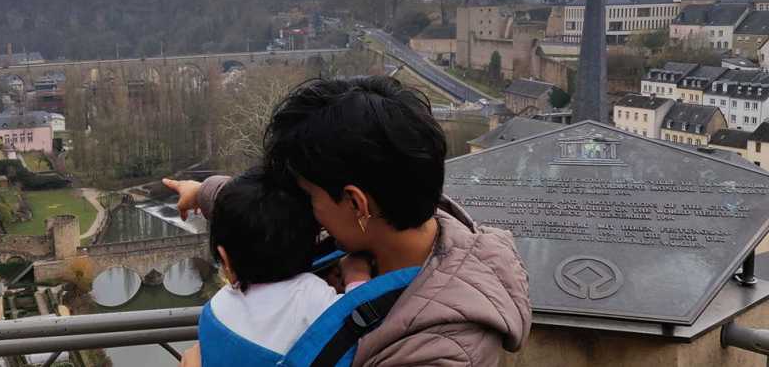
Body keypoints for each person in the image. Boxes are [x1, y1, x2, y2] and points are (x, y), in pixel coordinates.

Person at [171, 76, 531, 366]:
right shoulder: (391, 213)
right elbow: (264, 216)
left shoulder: (441, 351)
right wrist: (204, 192)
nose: (299, 210)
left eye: (307, 197)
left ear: (357, 204)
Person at [167, 169, 371, 366]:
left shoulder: (216, 308)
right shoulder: (314, 298)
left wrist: (203, 191)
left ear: (225, 260)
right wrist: (357, 275)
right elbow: (364, 324)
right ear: (314, 238)